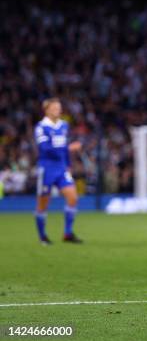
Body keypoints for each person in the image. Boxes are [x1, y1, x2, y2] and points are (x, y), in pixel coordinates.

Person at [34, 98, 83, 245]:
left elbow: (63, 148)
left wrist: (68, 164)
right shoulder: (41, 127)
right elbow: (45, 148)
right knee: (43, 203)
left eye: (59, 108)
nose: (58, 110)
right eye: (55, 108)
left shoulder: (64, 125)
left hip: (61, 168)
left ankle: (67, 233)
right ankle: (43, 236)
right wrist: (68, 149)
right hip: (47, 169)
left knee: (73, 197)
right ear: (47, 110)